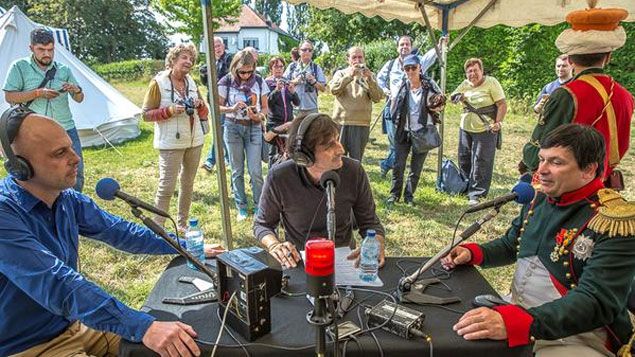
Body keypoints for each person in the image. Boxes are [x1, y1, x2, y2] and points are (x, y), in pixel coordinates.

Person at [0, 108, 224, 356]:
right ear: (20, 167)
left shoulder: (67, 199)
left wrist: (180, 244)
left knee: (189, 343)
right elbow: (57, 284)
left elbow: (122, 232)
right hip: (29, 344)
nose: (76, 158)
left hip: (77, 324)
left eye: (71, 147)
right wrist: (143, 326)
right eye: (60, 153)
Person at [441, 124, 635, 356]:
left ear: (589, 169)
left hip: (578, 336)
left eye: (556, 162)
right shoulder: (540, 197)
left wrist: (523, 322)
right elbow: (513, 243)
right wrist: (474, 253)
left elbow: (596, 301)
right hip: (518, 310)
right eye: (542, 159)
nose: (542, 169)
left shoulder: (614, 221)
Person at [520, 5, 633, 189]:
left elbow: (539, 150)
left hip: (566, 191)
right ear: (609, 56)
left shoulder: (566, 94)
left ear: (570, 60)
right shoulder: (626, 96)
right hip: (603, 188)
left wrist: (529, 161)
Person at [253, 113, 385, 269]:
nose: (341, 149)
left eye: (337, 139)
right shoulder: (280, 177)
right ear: (304, 156)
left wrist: (376, 243)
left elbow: (370, 223)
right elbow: (262, 225)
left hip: (344, 261)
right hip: (300, 263)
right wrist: (274, 245)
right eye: (330, 145)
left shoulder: (354, 171)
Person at [3, 28, 86, 192]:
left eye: (50, 50)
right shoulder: (19, 67)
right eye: (41, 49)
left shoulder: (64, 70)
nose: (46, 54)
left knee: (75, 173)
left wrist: (75, 90)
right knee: (37, 176)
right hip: (35, 132)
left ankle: (73, 208)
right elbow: (10, 97)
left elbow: (79, 99)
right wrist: (38, 93)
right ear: (31, 48)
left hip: (65, 128)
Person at [142, 43, 209, 231]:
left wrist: (199, 105)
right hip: (170, 142)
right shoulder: (158, 83)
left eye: (191, 59)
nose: (189, 62)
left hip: (194, 140)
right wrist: (169, 111)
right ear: (173, 60)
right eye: (184, 58)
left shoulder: (192, 82)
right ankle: (158, 229)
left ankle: (182, 225)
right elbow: (146, 115)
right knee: (166, 187)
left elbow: (204, 111)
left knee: (187, 184)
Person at [386, 55, 445, 206]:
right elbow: (394, 103)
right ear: (404, 70)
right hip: (403, 131)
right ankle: (394, 195)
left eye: (413, 67)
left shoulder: (429, 84)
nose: (410, 71)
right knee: (398, 165)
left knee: (416, 167)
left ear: (420, 68)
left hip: (422, 131)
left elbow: (441, 103)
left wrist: (437, 105)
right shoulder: (402, 84)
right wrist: (394, 119)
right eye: (407, 68)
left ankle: (409, 196)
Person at [218, 50, 269, 221]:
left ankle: (259, 207)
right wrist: (231, 108)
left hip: (253, 128)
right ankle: (241, 206)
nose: (246, 75)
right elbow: (216, 106)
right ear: (234, 68)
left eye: (249, 71)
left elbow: (266, 108)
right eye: (242, 72)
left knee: (255, 171)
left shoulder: (260, 81)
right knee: (237, 170)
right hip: (232, 127)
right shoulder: (226, 82)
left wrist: (259, 116)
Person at [451, 57, 507, 206]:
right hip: (465, 128)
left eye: (475, 70)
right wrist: (458, 97)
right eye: (469, 71)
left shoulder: (491, 82)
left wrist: (498, 123)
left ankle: (477, 193)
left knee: (481, 160)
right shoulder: (465, 84)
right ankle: (465, 186)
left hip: (485, 128)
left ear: (482, 71)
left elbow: (502, 104)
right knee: (464, 158)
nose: (472, 74)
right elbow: (453, 97)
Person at [328, 46, 384, 161]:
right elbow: (334, 90)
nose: (357, 61)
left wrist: (370, 80)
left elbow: (377, 98)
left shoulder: (370, 76)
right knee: (337, 157)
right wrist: (350, 76)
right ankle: (337, 179)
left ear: (364, 59)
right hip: (341, 122)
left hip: (361, 123)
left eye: (360, 57)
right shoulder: (341, 73)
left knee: (356, 160)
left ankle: (353, 179)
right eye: (354, 57)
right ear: (348, 59)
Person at [201, 36, 232, 173]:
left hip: (226, 102)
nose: (217, 48)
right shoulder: (208, 63)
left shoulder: (229, 59)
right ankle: (223, 159)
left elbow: (226, 77)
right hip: (214, 102)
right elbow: (205, 81)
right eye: (213, 46)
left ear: (223, 46)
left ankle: (212, 160)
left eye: (219, 45)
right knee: (219, 130)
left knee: (221, 130)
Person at [264, 56, 299, 167]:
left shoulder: (287, 82)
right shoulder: (267, 83)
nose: (278, 69)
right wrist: (276, 90)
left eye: (281, 66)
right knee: (273, 152)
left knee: (287, 151)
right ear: (271, 68)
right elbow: (268, 103)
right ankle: (272, 176)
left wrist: (293, 92)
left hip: (288, 122)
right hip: (274, 123)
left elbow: (297, 103)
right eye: (275, 66)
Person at [284, 40, 327, 117]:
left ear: (312, 52)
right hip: (295, 108)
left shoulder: (316, 68)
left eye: (310, 50)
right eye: (304, 50)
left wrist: (313, 81)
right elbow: (283, 84)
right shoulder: (292, 67)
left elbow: (323, 89)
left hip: (311, 108)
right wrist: (295, 81)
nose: (307, 52)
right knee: (296, 129)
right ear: (299, 52)